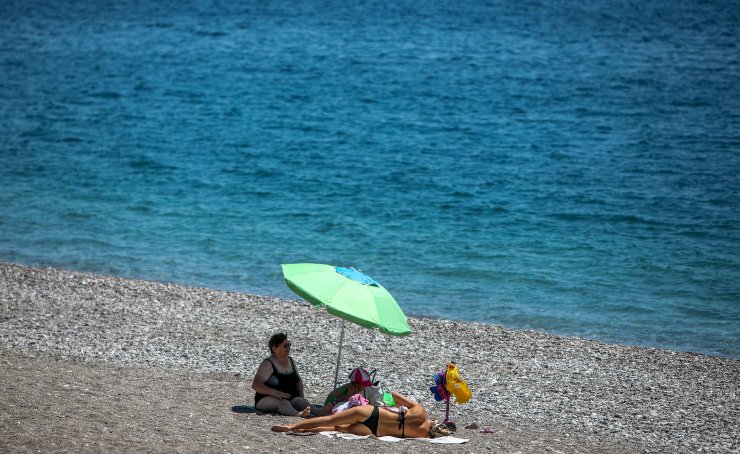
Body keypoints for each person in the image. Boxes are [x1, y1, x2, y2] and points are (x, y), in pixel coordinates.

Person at [271, 391, 451, 438]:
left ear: (434, 420)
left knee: (331, 419)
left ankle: (292, 427)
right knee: (335, 427)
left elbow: (394, 396)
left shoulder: (420, 412)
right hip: (372, 431)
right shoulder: (422, 434)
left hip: (373, 413)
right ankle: (304, 430)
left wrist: (399, 405)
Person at [251, 333, 311, 417]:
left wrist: (301, 396)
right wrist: (275, 393)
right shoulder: (268, 363)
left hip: (288, 397)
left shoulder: (290, 361)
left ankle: (320, 412)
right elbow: (256, 385)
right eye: (285, 346)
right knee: (283, 403)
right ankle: (298, 414)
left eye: (289, 344)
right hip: (266, 398)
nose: (288, 348)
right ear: (275, 348)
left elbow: (298, 381)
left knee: (302, 402)